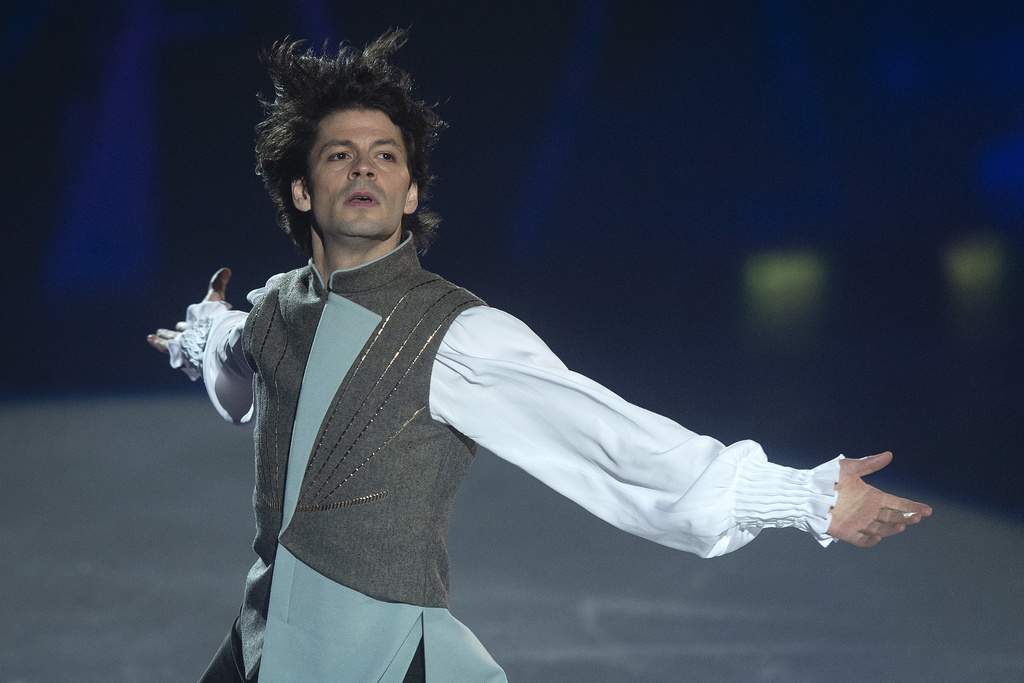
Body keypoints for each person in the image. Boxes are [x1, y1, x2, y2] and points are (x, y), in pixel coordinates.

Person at [148, 30, 931, 683]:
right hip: (264, 645)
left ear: (412, 193)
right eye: (340, 155)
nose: (364, 168)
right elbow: (239, 356)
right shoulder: (277, 307)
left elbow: (613, 440)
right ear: (300, 192)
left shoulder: (453, 334)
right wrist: (199, 331)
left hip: (384, 655)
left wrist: (800, 496)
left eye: (386, 156)